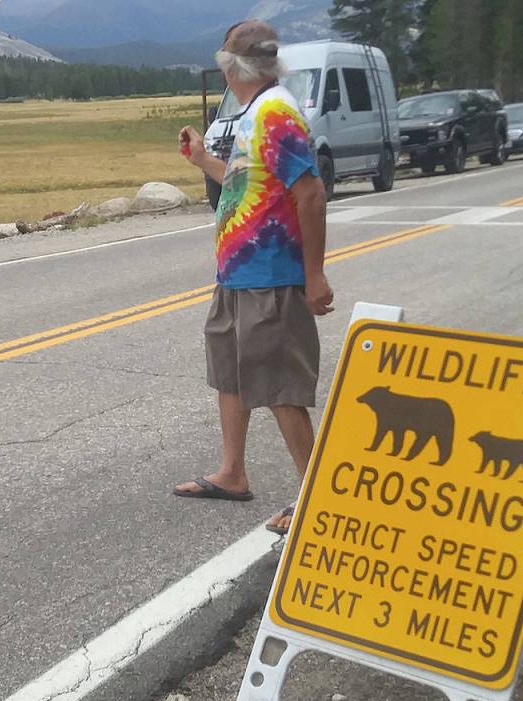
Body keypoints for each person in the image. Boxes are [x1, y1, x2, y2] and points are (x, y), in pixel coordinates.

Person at [173, 20, 333, 535]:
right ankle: (232, 472)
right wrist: (203, 160)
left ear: (230, 68)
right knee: (232, 372)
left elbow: (309, 193)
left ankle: (316, 498)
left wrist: (314, 274)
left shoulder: (277, 114)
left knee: (280, 384)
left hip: (271, 275)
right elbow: (249, 180)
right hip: (239, 273)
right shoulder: (254, 113)